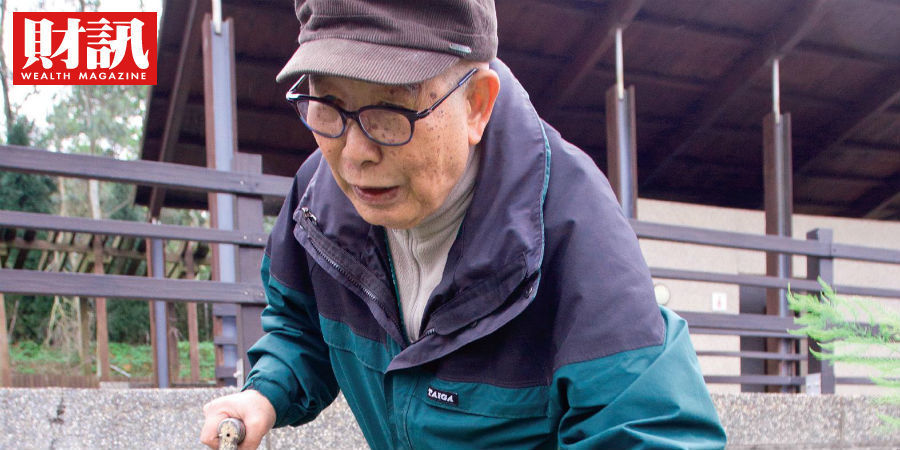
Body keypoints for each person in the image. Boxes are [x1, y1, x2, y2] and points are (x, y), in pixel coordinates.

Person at [201, 0, 727, 448]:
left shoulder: (573, 225)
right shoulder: (321, 198)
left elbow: (647, 426)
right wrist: (265, 392)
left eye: (389, 112)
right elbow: (301, 324)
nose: (356, 154)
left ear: (476, 105)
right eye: (328, 107)